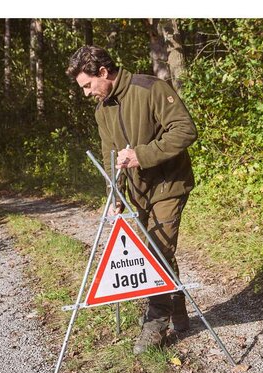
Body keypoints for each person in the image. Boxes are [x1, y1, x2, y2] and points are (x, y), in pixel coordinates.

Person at [66, 45, 198, 355]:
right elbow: (110, 157)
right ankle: (178, 310)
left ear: (103, 73)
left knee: (157, 249)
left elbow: (185, 130)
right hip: (139, 193)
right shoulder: (102, 111)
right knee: (159, 251)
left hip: (169, 183)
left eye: (87, 85)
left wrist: (142, 155)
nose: (86, 93)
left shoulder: (151, 88)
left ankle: (155, 322)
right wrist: (114, 193)